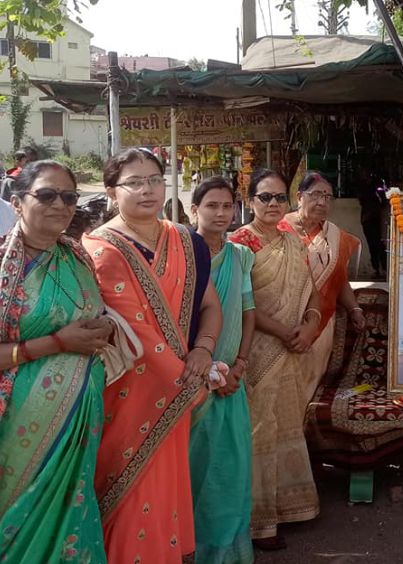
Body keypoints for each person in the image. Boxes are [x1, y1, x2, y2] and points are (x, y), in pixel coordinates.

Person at [83, 147, 223, 563]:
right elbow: (122, 330)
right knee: (125, 493)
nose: (147, 190)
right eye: (134, 182)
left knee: (165, 490)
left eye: (155, 180)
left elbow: (210, 306)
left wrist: (203, 349)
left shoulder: (187, 242)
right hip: (127, 397)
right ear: (111, 190)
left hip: (178, 385)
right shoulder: (96, 249)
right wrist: (186, 376)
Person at [0, 161, 115, 562]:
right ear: (17, 202)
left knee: (72, 517)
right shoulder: (1, 267)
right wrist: (57, 343)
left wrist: (103, 332)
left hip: (79, 422)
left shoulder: (78, 259)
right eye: (46, 195)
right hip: (20, 428)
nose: (60, 205)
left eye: (69, 197)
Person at [229, 169, 323, 549]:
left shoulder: (294, 241)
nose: (272, 204)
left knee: (287, 425)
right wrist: (284, 332)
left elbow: (312, 290)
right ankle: (259, 523)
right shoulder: (238, 243)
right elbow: (238, 303)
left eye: (279, 198)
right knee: (258, 432)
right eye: (264, 197)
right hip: (256, 350)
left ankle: (291, 507)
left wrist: (311, 325)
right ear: (250, 200)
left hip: (294, 349)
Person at [188, 177, 256, 563]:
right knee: (194, 472)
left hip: (232, 379)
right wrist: (206, 368)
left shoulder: (240, 256)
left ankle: (227, 553)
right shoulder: (180, 254)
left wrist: (240, 365)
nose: (220, 213)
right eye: (211, 205)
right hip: (190, 379)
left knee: (229, 473)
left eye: (227, 206)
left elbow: (248, 313)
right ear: (194, 209)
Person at [279, 171, 365, 406]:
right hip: (284, 326)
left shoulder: (335, 236)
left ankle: (306, 436)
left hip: (321, 327)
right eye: (316, 195)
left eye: (328, 197)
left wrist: (355, 309)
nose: (322, 202)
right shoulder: (278, 230)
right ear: (299, 197)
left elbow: (339, 279)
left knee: (311, 389)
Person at [357, 172, 388, 278]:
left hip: (376, 219)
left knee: (379, 244)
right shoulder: (363, 187)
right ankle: (378, 269)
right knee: (373, 245)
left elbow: (383, 200)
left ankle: (383, 268)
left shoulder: (376, 185)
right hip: (369, 219)